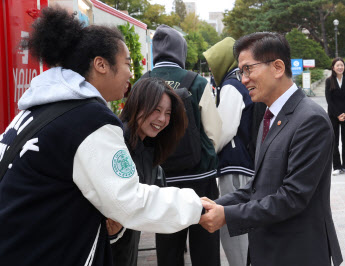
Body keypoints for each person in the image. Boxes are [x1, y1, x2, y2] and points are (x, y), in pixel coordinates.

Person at [0, 7, 206, 266]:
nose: (132, 74)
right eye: (127, 64)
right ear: (101, 65)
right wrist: (195, 206)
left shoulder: (35, 110)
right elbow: (127, 201)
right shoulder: (89, 120)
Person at [199, 32, 343, 266]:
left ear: (277, 67)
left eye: (248, 69)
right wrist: (219, 204)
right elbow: (260, 185)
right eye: (240, 72)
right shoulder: (270, 115)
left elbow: (292, 196)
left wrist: (228, 216)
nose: (243, 79)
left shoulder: (310, 120)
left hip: (296, 252)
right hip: (269, 249)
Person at [150, 24, 222, 266]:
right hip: (201, 176)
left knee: (168, 248)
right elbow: (213, 132)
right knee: (206, 247)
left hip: (161, 180)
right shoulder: (196, 82)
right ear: (180, 50)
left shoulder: (143, 83)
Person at [109, 77, 188, 266]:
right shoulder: (117, 144)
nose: (162, 119)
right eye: (156, 110)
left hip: (127, 249)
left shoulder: (150, 147)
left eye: (168, 113)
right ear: (138, 104)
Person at [203, 37, 254, 266]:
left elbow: (223, 129)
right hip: (245, 162)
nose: (212, 70)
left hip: (234, 164)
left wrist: (208, 151)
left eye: (213, 64)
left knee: (234, 229)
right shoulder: (237, 81)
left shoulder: (232, 86)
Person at [325, 57, 345, 175]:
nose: (340, 67)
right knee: (334, 141)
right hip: (333, 115)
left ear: (344, 67)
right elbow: (329, 100)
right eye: (337, 65)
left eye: (342, 65)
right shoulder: (329, 81)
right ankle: (336, 167)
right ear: (333, 67)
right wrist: (337, 115)